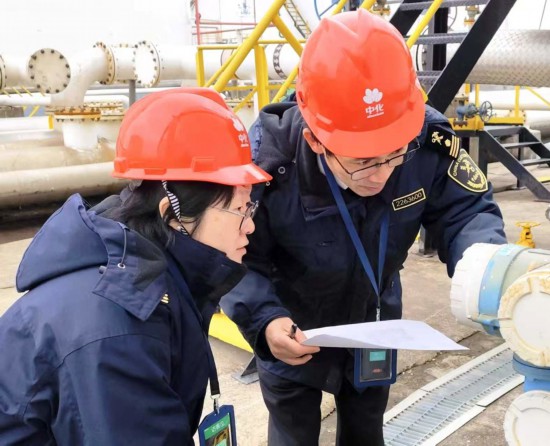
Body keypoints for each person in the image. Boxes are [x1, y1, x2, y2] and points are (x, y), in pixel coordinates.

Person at [221, 9, 507, 446]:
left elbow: (466, 210)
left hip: (375, 323)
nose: (382, 174)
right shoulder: (268, 164)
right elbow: (233, 256)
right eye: (362, 161)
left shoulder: (424, 140)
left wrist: (489, 270)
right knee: (293, 434)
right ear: (316, 139)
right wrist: (264, 321)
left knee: (366, 432)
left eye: (394, 154)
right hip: (291, 326)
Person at [0, 87, 271, 444]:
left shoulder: (151, 271)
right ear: (173, 215)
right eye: (238, 209)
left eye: (250, 207)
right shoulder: (119, 328)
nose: (250, 225)